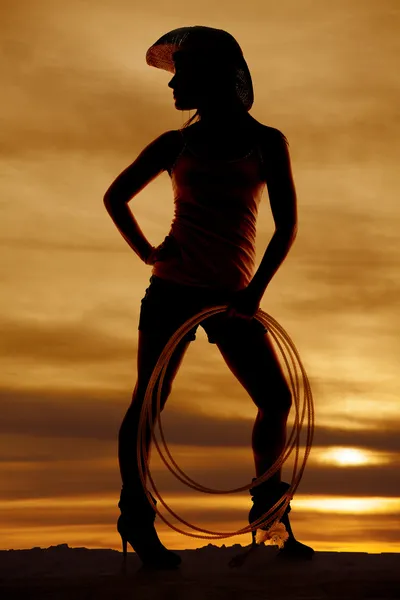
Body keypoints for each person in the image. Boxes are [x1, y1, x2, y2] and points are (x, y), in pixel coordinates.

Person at [103, 26, 314, 569]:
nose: (174, 86)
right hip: (172, 289)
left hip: (235, 295)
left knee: (276, 399)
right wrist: (150, 254)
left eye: (184, 75)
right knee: (147, 403)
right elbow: (116, 197)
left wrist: (255, 292)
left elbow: (286, 225)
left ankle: (269, 517)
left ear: (214, 79)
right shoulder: (175, 145)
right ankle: (136, 517)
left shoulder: (266, 142)